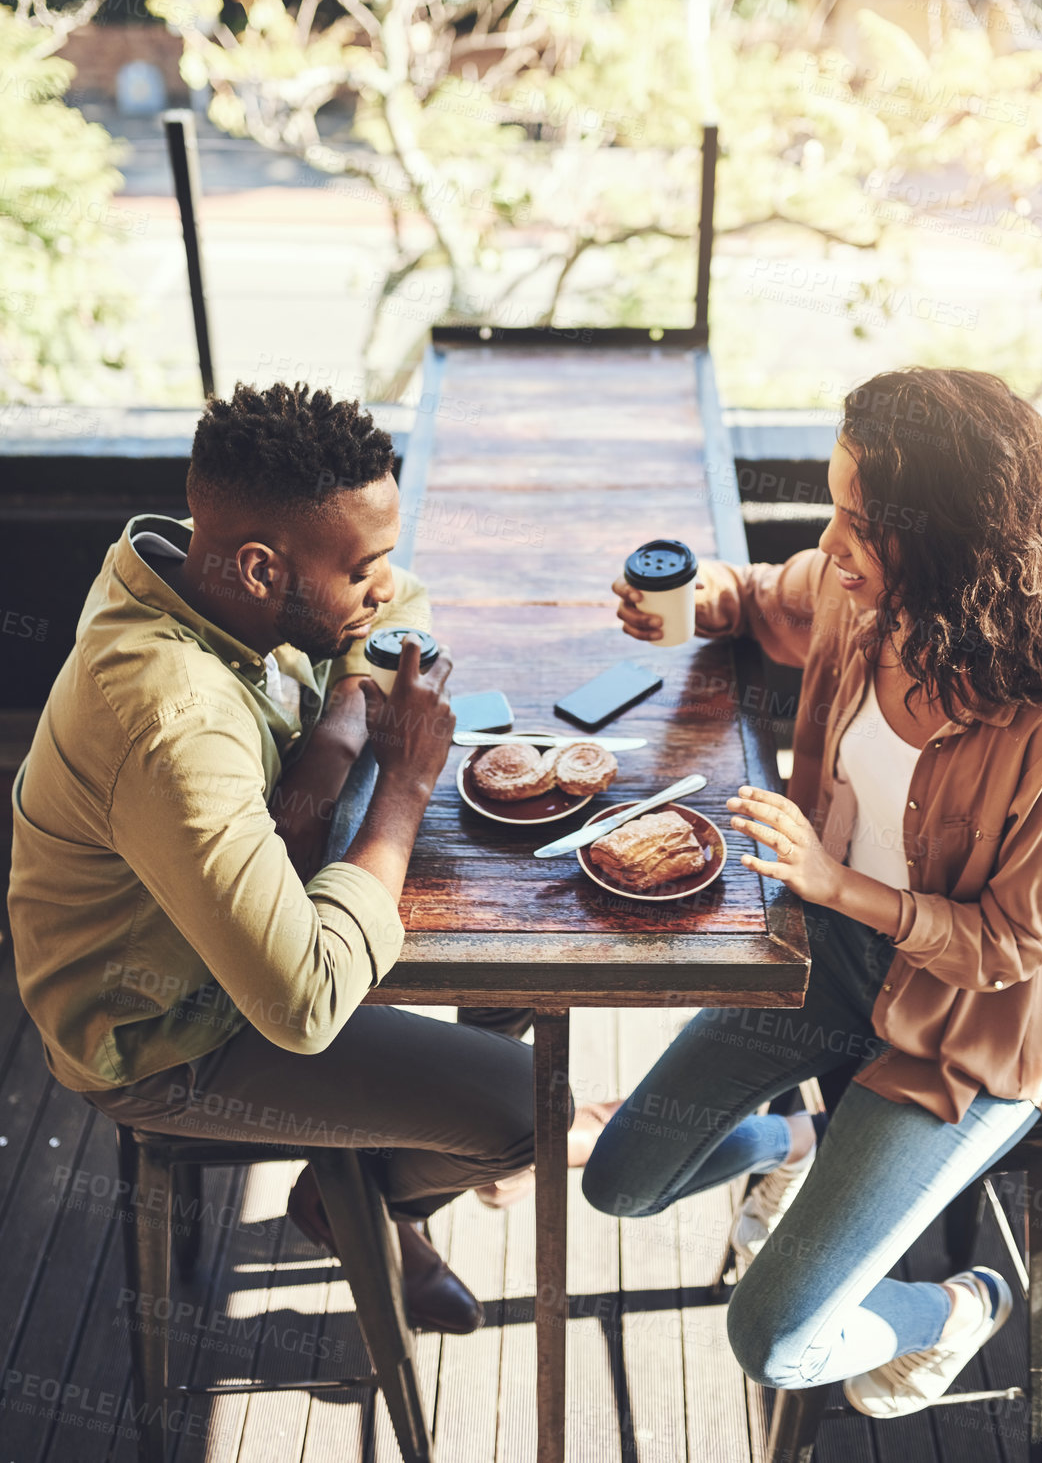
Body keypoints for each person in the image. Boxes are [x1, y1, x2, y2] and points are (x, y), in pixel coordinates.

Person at [583, 367, 1042, 1416]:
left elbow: (1007, 949)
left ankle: (964, 1307)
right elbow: (758, 597)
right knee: (619, 1181)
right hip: (826, 959)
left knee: (775, 1340)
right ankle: (805, 1144)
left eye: (859, 523)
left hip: (961, 1031)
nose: (832, 543)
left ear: (960, 548)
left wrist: (836, 882)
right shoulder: (853, 592)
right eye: (834, 507)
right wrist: (696, 605)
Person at [8, 382, 600, 1335]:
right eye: (360, 565)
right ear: (257, 567)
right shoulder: (175, 720)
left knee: (520, 957)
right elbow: (303, 1003)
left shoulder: (184, 573)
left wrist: (331, 739)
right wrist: (401, 782)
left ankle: (360, 1181)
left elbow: (398, 605)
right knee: (530, 1110)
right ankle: (366, 1198)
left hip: (255, 926)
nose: (385, 586)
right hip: (163, 1025)